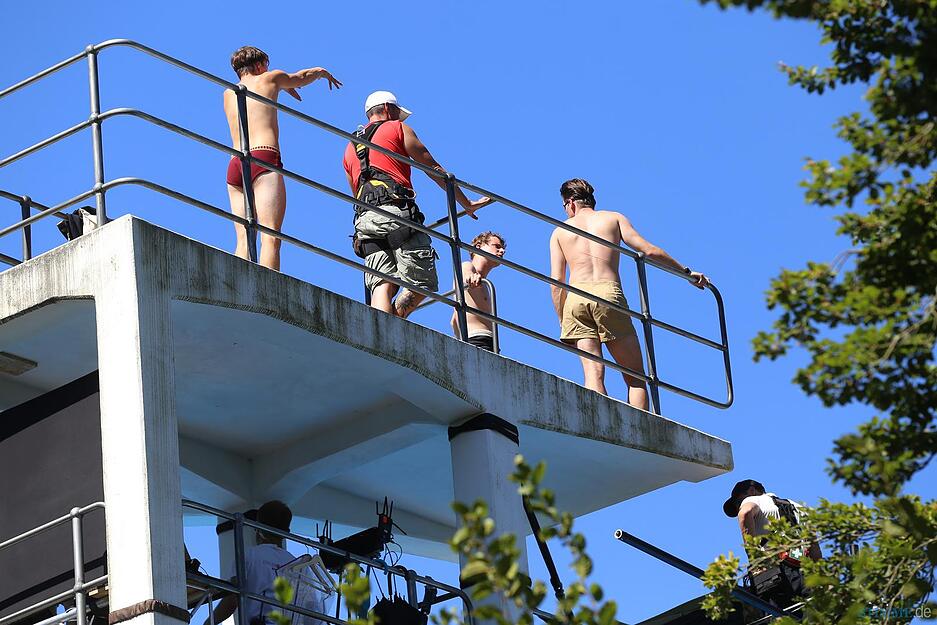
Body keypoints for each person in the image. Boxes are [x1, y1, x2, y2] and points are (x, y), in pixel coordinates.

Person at [549, 178, 709, 408]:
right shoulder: (613, 218)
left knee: (593, 374)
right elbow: (649, 250)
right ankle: (638, 439)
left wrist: (563, 322)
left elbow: (556, 281)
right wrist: (686, 273)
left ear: (570, 202)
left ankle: (598, 430)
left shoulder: (560, 231)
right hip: (606, 293)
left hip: (575, 298)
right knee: (636, 378)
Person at [343, 91, 491, 318]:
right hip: (397, 213)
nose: (399, 118)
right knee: (422, 282)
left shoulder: (350, 147)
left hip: (365, 221)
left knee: (383, 284)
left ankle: (380, 329)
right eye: (397, 113)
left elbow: (355, 190)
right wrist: (466, 203)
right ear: (387, 108)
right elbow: (433, 168)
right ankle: (396, 319)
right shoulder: (397, 129)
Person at [224, 46, 342, 270]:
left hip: (235, 164)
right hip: (263, 155)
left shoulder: (229, 93)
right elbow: (299, 78)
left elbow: (257, 96)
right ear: (259, 66)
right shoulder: (270, 78)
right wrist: (320, 71)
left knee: (242, 236)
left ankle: (238, 287)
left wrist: (278, 87)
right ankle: (268, 292)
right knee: (270, 235)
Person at [205, 500, 326, 625]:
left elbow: (231, 601)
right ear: (286, 533)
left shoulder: (247, 557)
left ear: (257, 527)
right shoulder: (301, 566)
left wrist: (208, 623)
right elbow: (312, 611)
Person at [723, 479, 822, 609]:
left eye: (738, 501)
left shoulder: (753, 500)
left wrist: (756, 559)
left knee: (779, 618)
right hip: (806, 574)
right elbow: (815, 552)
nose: (738, 506)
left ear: (752, 491)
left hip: (776, 574)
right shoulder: (799, 508)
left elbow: (745, 512)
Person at [450, 231, 507, 351]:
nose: (502, 251)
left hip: (490, 343)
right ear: (478, 246)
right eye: (496, 246)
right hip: (475, 339)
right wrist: (471, 277)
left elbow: (453, 321)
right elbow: (467, 274)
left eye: (502, 248)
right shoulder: (467, 266)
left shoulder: (486, 285)